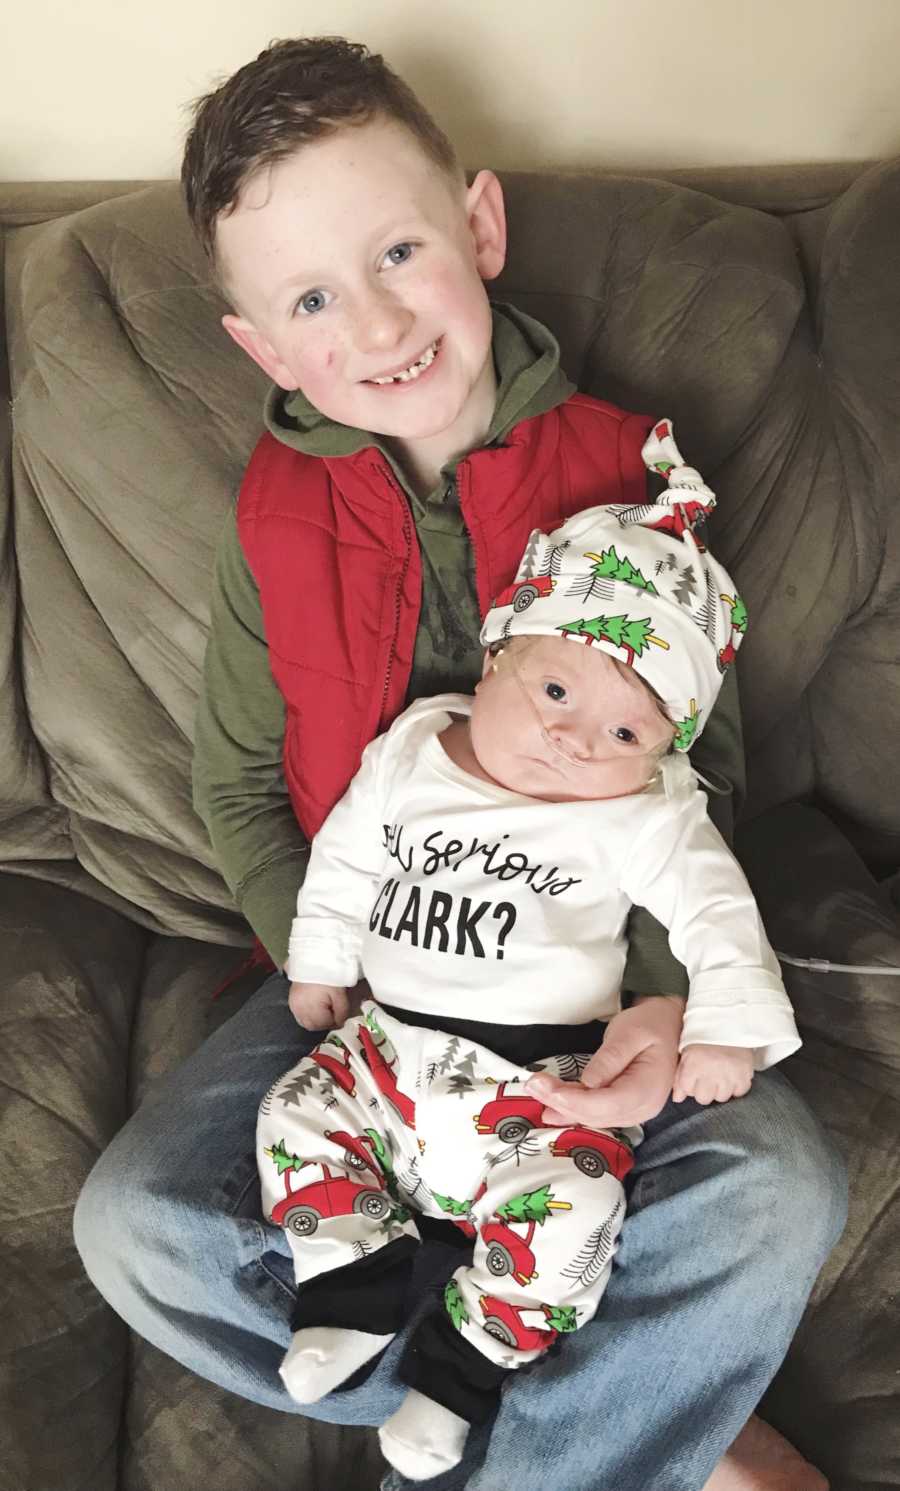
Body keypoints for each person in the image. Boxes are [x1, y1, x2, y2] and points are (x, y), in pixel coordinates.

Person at [72, 36, 846, 1491]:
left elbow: (702, 783)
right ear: (264, 345)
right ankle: (639, 1393)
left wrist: (669, 1004)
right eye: (311, 297)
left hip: (586, 977)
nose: (373, 321)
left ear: (480, 230)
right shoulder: (276, 513)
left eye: (400, 251)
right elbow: (240, 786)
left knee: (779, 1192)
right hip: (370, 980)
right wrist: (337, 971)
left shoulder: (629, 473)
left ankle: (555, 1404)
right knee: (137, 1220)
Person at [263, 477, 802, 1481]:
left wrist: (725, 1024)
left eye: (626, 734)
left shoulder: (644, 812)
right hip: (386, 1049)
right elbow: (345, 857)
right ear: (498, 657)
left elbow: (716, 912)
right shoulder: (418, 748)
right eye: (556, 692)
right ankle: (349, 1283)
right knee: (294, 1115)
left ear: (662, 755)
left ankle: (459, 1376)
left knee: (577, 1209)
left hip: (540, 1083)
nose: (574, 740)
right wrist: (320, 960)